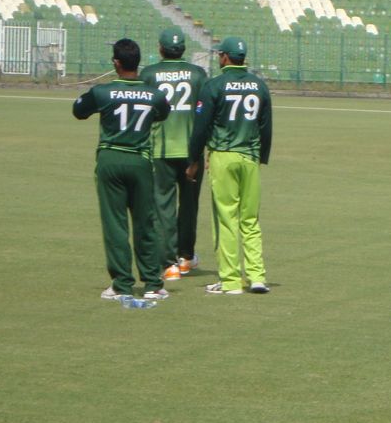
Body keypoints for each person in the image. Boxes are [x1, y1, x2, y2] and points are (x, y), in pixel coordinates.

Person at [73, 38, 172, 300]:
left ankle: (121, 284)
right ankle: (153, 283)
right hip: (141, 160)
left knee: (115, 225)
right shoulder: (154, 94)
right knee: (145, 223)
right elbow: (163, 113)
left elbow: (79, 111)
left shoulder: (102, 92)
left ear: (116, 63)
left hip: (111, 160)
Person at [186, 36, 272, 295]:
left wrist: (193, 160)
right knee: (250, 219)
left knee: (226, 219)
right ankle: (257, 277)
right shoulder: (259, 86)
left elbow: (200, 127)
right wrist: (261, 156)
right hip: (250, 157)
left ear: (224, 57)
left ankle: (231, 280)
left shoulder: (214, 85)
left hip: (223, 155)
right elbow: (266, 126)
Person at [140, 27, 209, 282]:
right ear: (183, 49)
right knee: (190, 205)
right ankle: (186, 257)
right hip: (192, 151)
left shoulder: (149, 74)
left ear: (160, 48)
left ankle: (168, 265)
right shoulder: (198, 74)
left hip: (161, 149)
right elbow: (205, 112)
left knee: (163, 206)